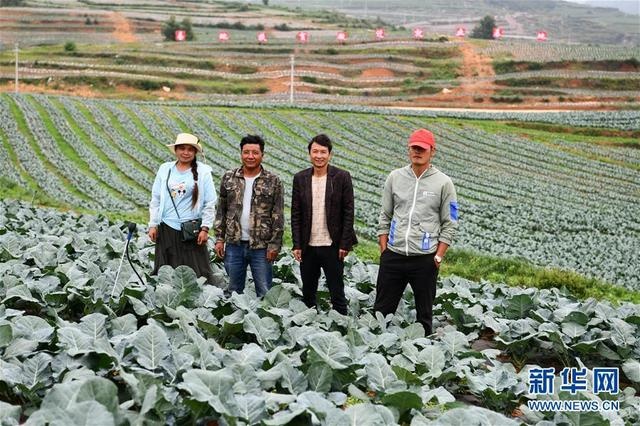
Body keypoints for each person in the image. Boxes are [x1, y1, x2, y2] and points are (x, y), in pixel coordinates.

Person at [374, 128, 458, 335]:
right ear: (408, 150)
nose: (417, 152)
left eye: (422, 149)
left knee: (424, 316)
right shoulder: (395, 177)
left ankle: (423, 358)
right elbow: (385, 215)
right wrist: (384, 250)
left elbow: (450, 222)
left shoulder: (444, 183)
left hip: (424, 259)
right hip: (393, 255)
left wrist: (438, 256)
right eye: (414, 148)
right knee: (381, 312)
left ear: (432, 151)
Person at [291, 134, 357, 315]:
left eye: (323, 152)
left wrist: (345, 243)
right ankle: (308, 328)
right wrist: (297, 244)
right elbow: (296, 213)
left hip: (332, 245)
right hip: (308, 246)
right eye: (315, 151)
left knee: (337, 292)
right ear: (309, 154)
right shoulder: (300, 178)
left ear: (330, 155)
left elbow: (348, 212)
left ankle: (342, 327)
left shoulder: (342, 177)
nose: (319, 156)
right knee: (308, 292)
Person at [214, 135, 284, 297]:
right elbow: (222, 210)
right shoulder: (229, 177)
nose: (250, 156)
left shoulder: (273, 181)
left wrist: (274, 245)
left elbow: (278, 214)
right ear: (241, 154)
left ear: (262, 155)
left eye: (255, 152)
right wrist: (219, 238)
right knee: (232, 291)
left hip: (262, 246)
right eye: (246, 152)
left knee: (265, 291)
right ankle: (232, 321)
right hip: (234, 244)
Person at [148, 133, 217, 283]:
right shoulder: (165, 169)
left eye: (190, 149)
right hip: (166, 227)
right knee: (167, 272)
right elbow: (156, 198)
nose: (185, 153)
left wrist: (205, 228)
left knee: (194, 273)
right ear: (176, 150)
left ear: (195, 152)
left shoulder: (203, 171)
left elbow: (210, 202)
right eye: (182, 149)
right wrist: (153, 224)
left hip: (190, 230)